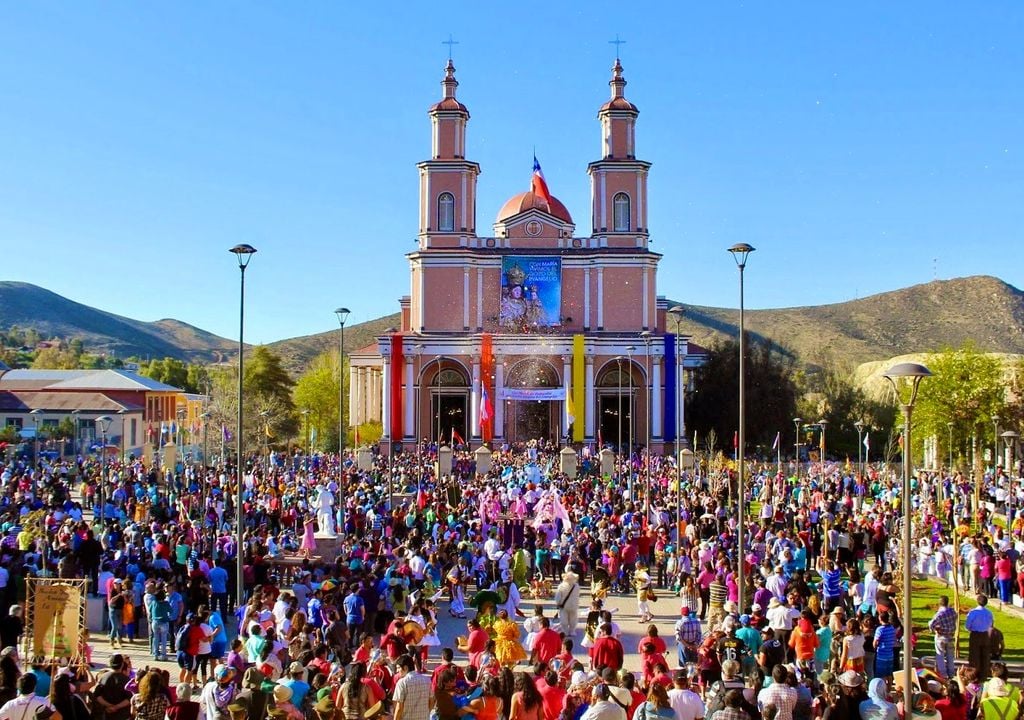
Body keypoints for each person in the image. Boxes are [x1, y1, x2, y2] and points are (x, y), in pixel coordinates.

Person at [392, 654, 433, 720]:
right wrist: (426, 713)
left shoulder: (402, 683)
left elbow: (399, 707)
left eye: (398, 668)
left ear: (405, 667)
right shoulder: (427, 680)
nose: (397, 670)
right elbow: (432, 700)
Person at [928, 596, 958, 679]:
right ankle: (951, 673)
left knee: (940, 655)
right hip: (950, 636)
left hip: (941, 636)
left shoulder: (939, 614)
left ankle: (943, 674)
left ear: (939, 603)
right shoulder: (952, 611)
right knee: (950, 656)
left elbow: (931, 624)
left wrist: (933, 629)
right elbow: (955, 617)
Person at [966, 594, 995, 681]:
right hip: (985, 635)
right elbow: (991, 624)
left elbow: (968, 625)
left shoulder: (973, 612)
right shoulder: (989, 613)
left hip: (975, 634)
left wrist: (971, 629)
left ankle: (974, 675)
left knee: (974, 656)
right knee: (985, 656)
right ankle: (983, 676)